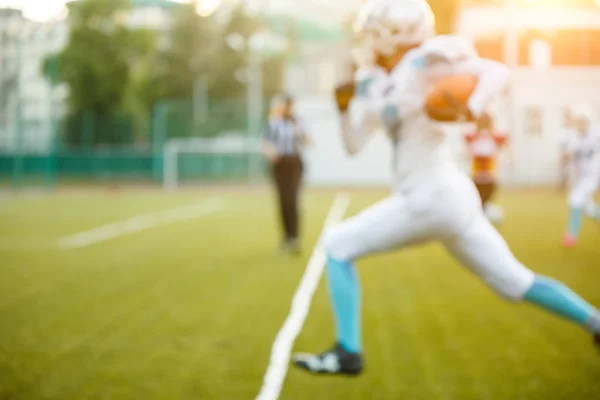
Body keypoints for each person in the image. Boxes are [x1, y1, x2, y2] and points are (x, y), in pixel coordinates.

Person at [292, 0, 600, 376]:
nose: (369, 42)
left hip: (431, 195)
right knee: (514, 283)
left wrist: (471, 106)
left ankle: (348, 352)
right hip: (446, 196)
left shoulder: (425, 60)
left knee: (337, 245)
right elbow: (354, 145)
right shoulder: (377, 81)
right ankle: (596, 323)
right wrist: (342, 110)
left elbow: (496, 72)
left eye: (376, 34)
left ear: (399, 33)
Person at [263, 94, 310, 254]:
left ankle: (295, 237)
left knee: (292, 200)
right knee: (283, 201)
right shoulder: (273, 123)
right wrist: (272, 152)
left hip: (294, 163)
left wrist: (298, 130)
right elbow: (266, 144)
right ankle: (286, 237)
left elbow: (308, 142)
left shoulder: (299, 122)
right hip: (280, 164)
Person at [560, 103, 600, 248]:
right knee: (588, 209)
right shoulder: (573, 137)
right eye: (579, 121)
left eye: (583, 121)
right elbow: (567, 154)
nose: (581, 124)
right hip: (578, 179)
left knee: (575, 201)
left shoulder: (595, 135)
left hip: (590, 178)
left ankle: (571, 236)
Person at [464, 113, 511, 223]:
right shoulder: (474, 137)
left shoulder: (494, 137)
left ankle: (482, 218)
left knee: (483, 202)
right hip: (477, 178)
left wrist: (507, 159)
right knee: (479, 202)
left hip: (489, 178)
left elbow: (505, 145)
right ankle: (481, 219)